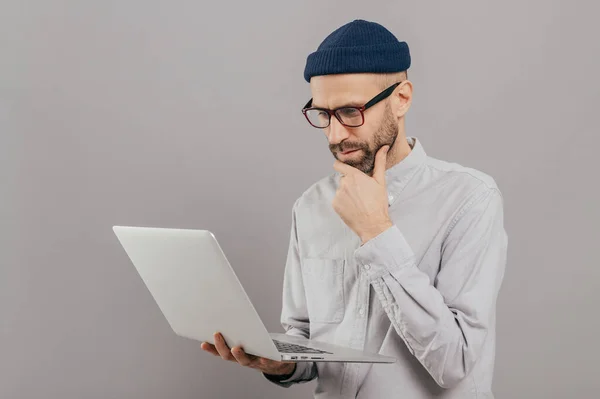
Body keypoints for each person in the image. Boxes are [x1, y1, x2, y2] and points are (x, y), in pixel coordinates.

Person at [201, 19, 508, 399]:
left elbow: (455, 363)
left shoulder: (470, 199)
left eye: (350, 111)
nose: (334, 134)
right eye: (324, 114)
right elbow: (306, 336)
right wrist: (283, 363)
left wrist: (377, 232)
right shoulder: (311, 206)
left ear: (401, 98)